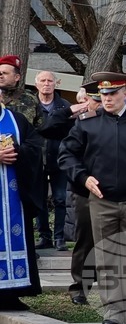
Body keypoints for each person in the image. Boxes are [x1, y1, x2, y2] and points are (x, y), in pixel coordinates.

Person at [58, 72, 126, 324]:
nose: (107, 99)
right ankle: (113, 310)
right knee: (106, 256)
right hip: (101, 201)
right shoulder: (87, 123)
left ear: (125, 94)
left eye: (113, 94)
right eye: (103, 94)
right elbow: (66, 155)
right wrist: (83, 177)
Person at [0, 86, 44, 311]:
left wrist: (18, 151)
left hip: (14, 196)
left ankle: (12, 293)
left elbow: (35, 147)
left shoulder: (16, 120)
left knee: (15, 238)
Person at [66, 83, 101, 304]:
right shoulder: (82, 123)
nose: (101, 104)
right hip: (85, 191)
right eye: (96, 99)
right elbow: (67, 155)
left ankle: (113, 289)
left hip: (119, 192)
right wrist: (83, 177)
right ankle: (80, 286)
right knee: (86, 239)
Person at [32, 70, 73, 250]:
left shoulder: (65, 106)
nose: (46, 84)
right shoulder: (30, 105)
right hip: (37, 159)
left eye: (50, 81)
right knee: (39, 199)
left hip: (59, 159)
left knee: (61, 198)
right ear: (37, 84)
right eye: (43, 80)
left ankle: (59, 238)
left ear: (56, 83)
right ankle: (44, 236)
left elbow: (71, 133)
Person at [0, 54, 40, 126]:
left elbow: (39, 126)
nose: (1, 76)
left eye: (5, 73)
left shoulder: (29, 98)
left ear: (17, 77)